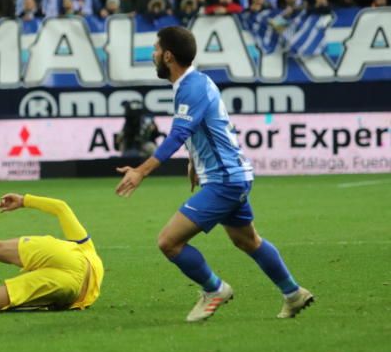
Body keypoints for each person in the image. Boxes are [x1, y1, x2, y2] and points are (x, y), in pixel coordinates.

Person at [114, 26, 314, 322]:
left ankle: (214, 289)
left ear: (168, 56)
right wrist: (195, 161)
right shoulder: (194, 83)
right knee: (248, 241)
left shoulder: (191, 87)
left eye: (156, 50)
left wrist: (141, 172)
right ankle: (293, 293)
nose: (153, 55)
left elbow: (179, 133)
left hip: (224, 180)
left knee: (169, 242)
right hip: (232, 176)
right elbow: (206, 127)